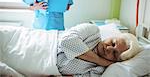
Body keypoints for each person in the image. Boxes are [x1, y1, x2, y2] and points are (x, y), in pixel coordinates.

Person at [0, 23, 142, 77]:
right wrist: (100, 60)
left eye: (115, 53)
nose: (109, 48)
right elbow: (66, 42)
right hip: (40, 41)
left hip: (43, 63)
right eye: (113, 43)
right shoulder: (92, 31)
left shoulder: (98, 71)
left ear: (116, 60)